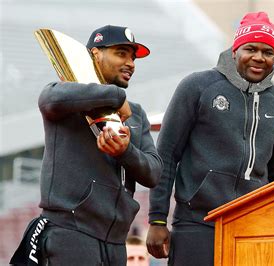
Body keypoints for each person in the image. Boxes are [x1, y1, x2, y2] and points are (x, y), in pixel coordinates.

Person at [146, 11, 274, 266]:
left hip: (253, 228)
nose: (259, 58)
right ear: (235, 50)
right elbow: (167, 155)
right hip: (197, 222)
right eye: (251, 48)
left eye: (267, 52)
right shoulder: (197, 87)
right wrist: (157, 219)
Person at [11, 25, 162, 265]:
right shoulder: (67, 98)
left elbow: (154, 173)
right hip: (72, 234)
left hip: (115, 242)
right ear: (95, 54)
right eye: (121, 53)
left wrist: (126, 152)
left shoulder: (136, 114)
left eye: (133, 57)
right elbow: (49, 99)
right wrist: (116, 96)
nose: (131, 63)